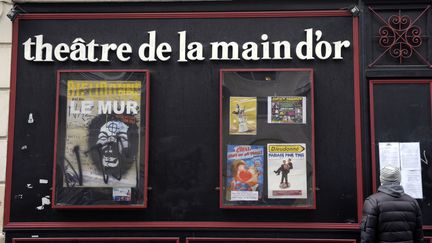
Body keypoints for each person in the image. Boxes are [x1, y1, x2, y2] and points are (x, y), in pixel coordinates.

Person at [360, 166, 423, 242]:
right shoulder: (413, 202)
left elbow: (367, 237)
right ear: (399, 179)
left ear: (381, 179)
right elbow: (418, 237)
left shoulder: (372, 201)